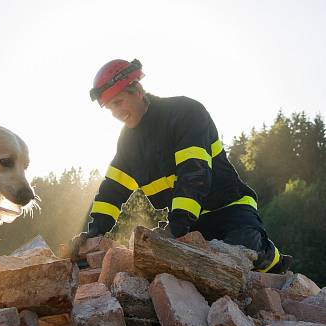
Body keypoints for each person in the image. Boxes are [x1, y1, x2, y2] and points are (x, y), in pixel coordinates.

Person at [72, 58, 291, 274]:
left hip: (229, 210)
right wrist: (94, 233)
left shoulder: (185, 112)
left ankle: (272, 258)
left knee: (241, 250)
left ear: (137, 90)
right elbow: (112, 189)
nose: (116, 114)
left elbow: (194, 172)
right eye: (110, 108)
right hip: (189, 226)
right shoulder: (128, 142)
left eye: (118, 102)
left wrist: (177, 229)